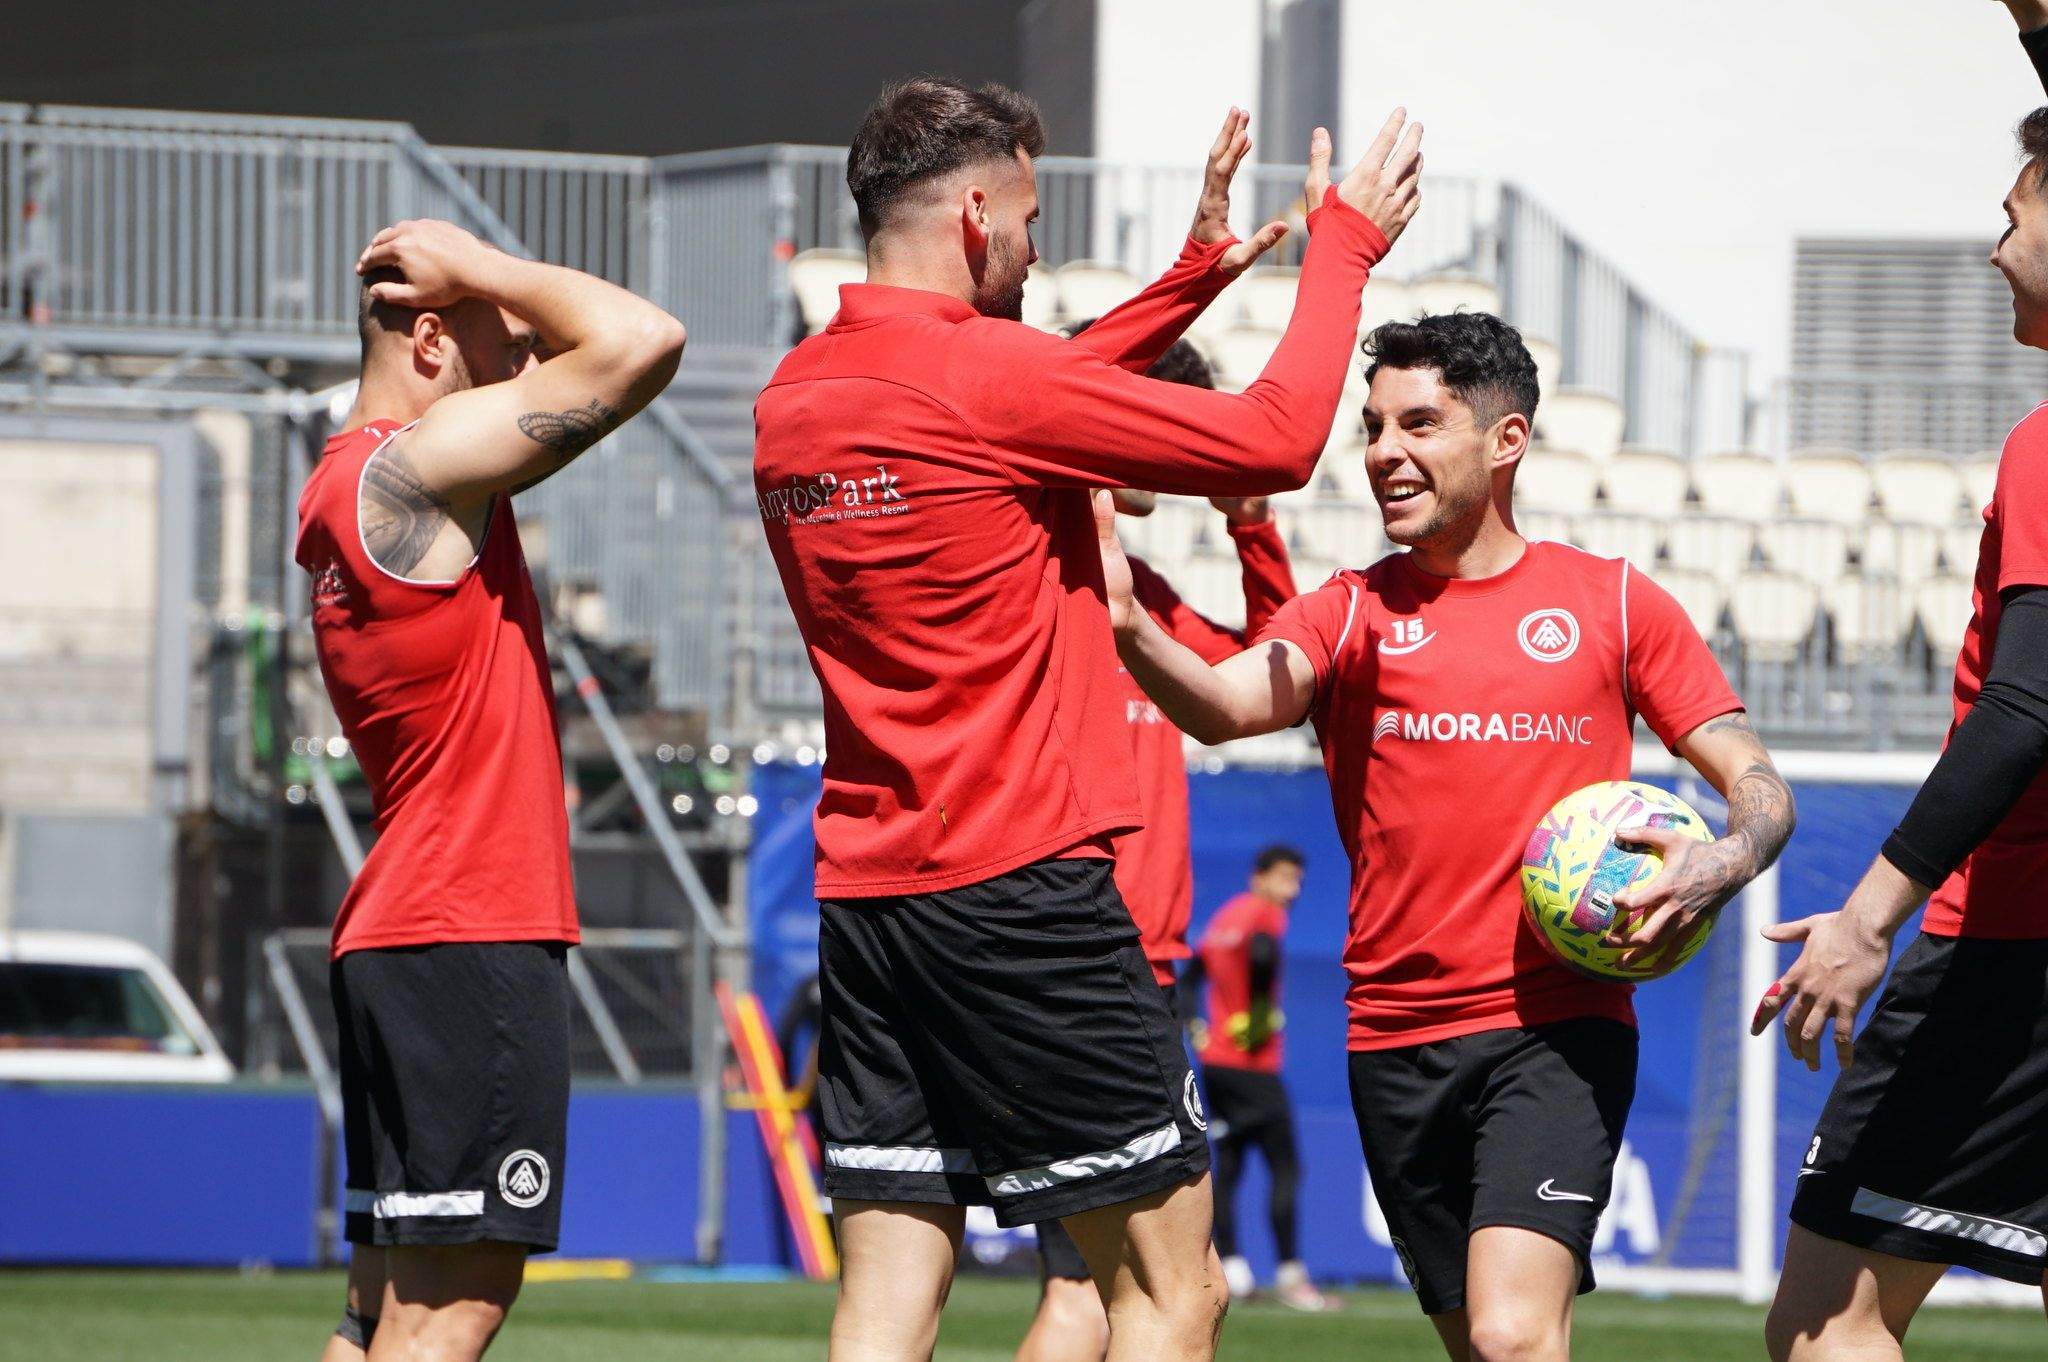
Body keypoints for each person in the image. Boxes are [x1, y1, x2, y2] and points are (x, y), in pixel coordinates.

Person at [754, 75, 1421, 1362]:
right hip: (1022, 893)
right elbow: (1274, 441)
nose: (1037, 243)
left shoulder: (797, 395)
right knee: (1171, 1297)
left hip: (869, 897)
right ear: (970, 213)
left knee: (885, 1303)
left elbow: (1010, 398)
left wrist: (1194, 273)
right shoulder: (981, 375)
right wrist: (1342, 249)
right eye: (1028, 214)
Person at [1093, 311, 1795, 1362]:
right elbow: (1227, 703)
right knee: (1477, 1347)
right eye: (1373, 429)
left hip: (1556, 1027)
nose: (1383, 453)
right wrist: (1128, 625)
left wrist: (1725, 860)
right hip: (1392, 1040)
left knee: (1515, 1337)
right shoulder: (1345, 613)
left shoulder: (1609, 601)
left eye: (1418, 424)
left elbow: (1757, 785)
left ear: (1503, 440)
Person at [299, 219, 684, 1362]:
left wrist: (480, 292)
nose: (529, 369)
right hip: (468, 928)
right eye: (507, 344)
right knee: (456, 1308)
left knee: (372, 1316)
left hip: (399, 933)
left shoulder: (342, 482)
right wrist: (479, 264)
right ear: (430, 338)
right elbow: (641, 340)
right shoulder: (410, 469)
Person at [1756, 82, 2048, 1362]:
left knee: (1827, 1327)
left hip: (2011, 949)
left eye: (2011, 210)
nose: (1992, 247)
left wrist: (1870, 914)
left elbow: (2029, 700)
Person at [1018, 337, 1300, 1362]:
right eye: (1172, 435)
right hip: (1085, 952)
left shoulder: (1147, 592)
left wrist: (1251, 522)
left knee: (1094, 1286)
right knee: (1128, 1289)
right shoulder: (1039, 570)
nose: (1183, 458)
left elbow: (1270, 675)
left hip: (1126, 961)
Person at [1187, 844, 1333, 1312]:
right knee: (1285, 1166)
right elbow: (1266, 953)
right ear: (1261, 877)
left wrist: (1193, 1026)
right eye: (1286, 878)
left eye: (1297, 881)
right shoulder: (1265, 915)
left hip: (1216, 1064)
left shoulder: (1225, 916)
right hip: (1253, 1066)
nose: (1292, 891)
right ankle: (1292, 1275)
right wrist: (1259, 1013)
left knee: (1227, 1169)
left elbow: (1191, 978)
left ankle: (1233, 1270)